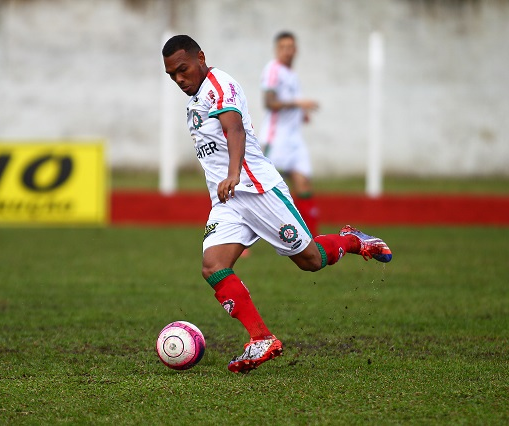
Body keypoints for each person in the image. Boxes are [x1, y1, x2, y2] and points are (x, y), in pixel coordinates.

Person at [161, 35, 392, 374]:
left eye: (183, 69)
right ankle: (261, 338)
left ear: (200, 57)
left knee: (310, 260)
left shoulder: (220, 86)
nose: (179, 79)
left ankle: (353, 240)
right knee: (213, 265)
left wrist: (234, 173)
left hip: (257, 189)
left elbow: (235, 129)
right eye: (172, 75)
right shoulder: (195, 97)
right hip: (229, 200)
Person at [259, 31, 320, 236]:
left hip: (294, 139)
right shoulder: (273, 70)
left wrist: (301, 113)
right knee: (258, 189)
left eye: (290, 47)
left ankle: (311, 242)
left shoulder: (292, 75)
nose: (287, 51)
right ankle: (238, 240)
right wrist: (298, 103)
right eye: (283, 47)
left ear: (296, 50)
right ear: (277, 50)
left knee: (303, 183)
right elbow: (269, 102)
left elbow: (289, 102)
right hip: (276, 138)